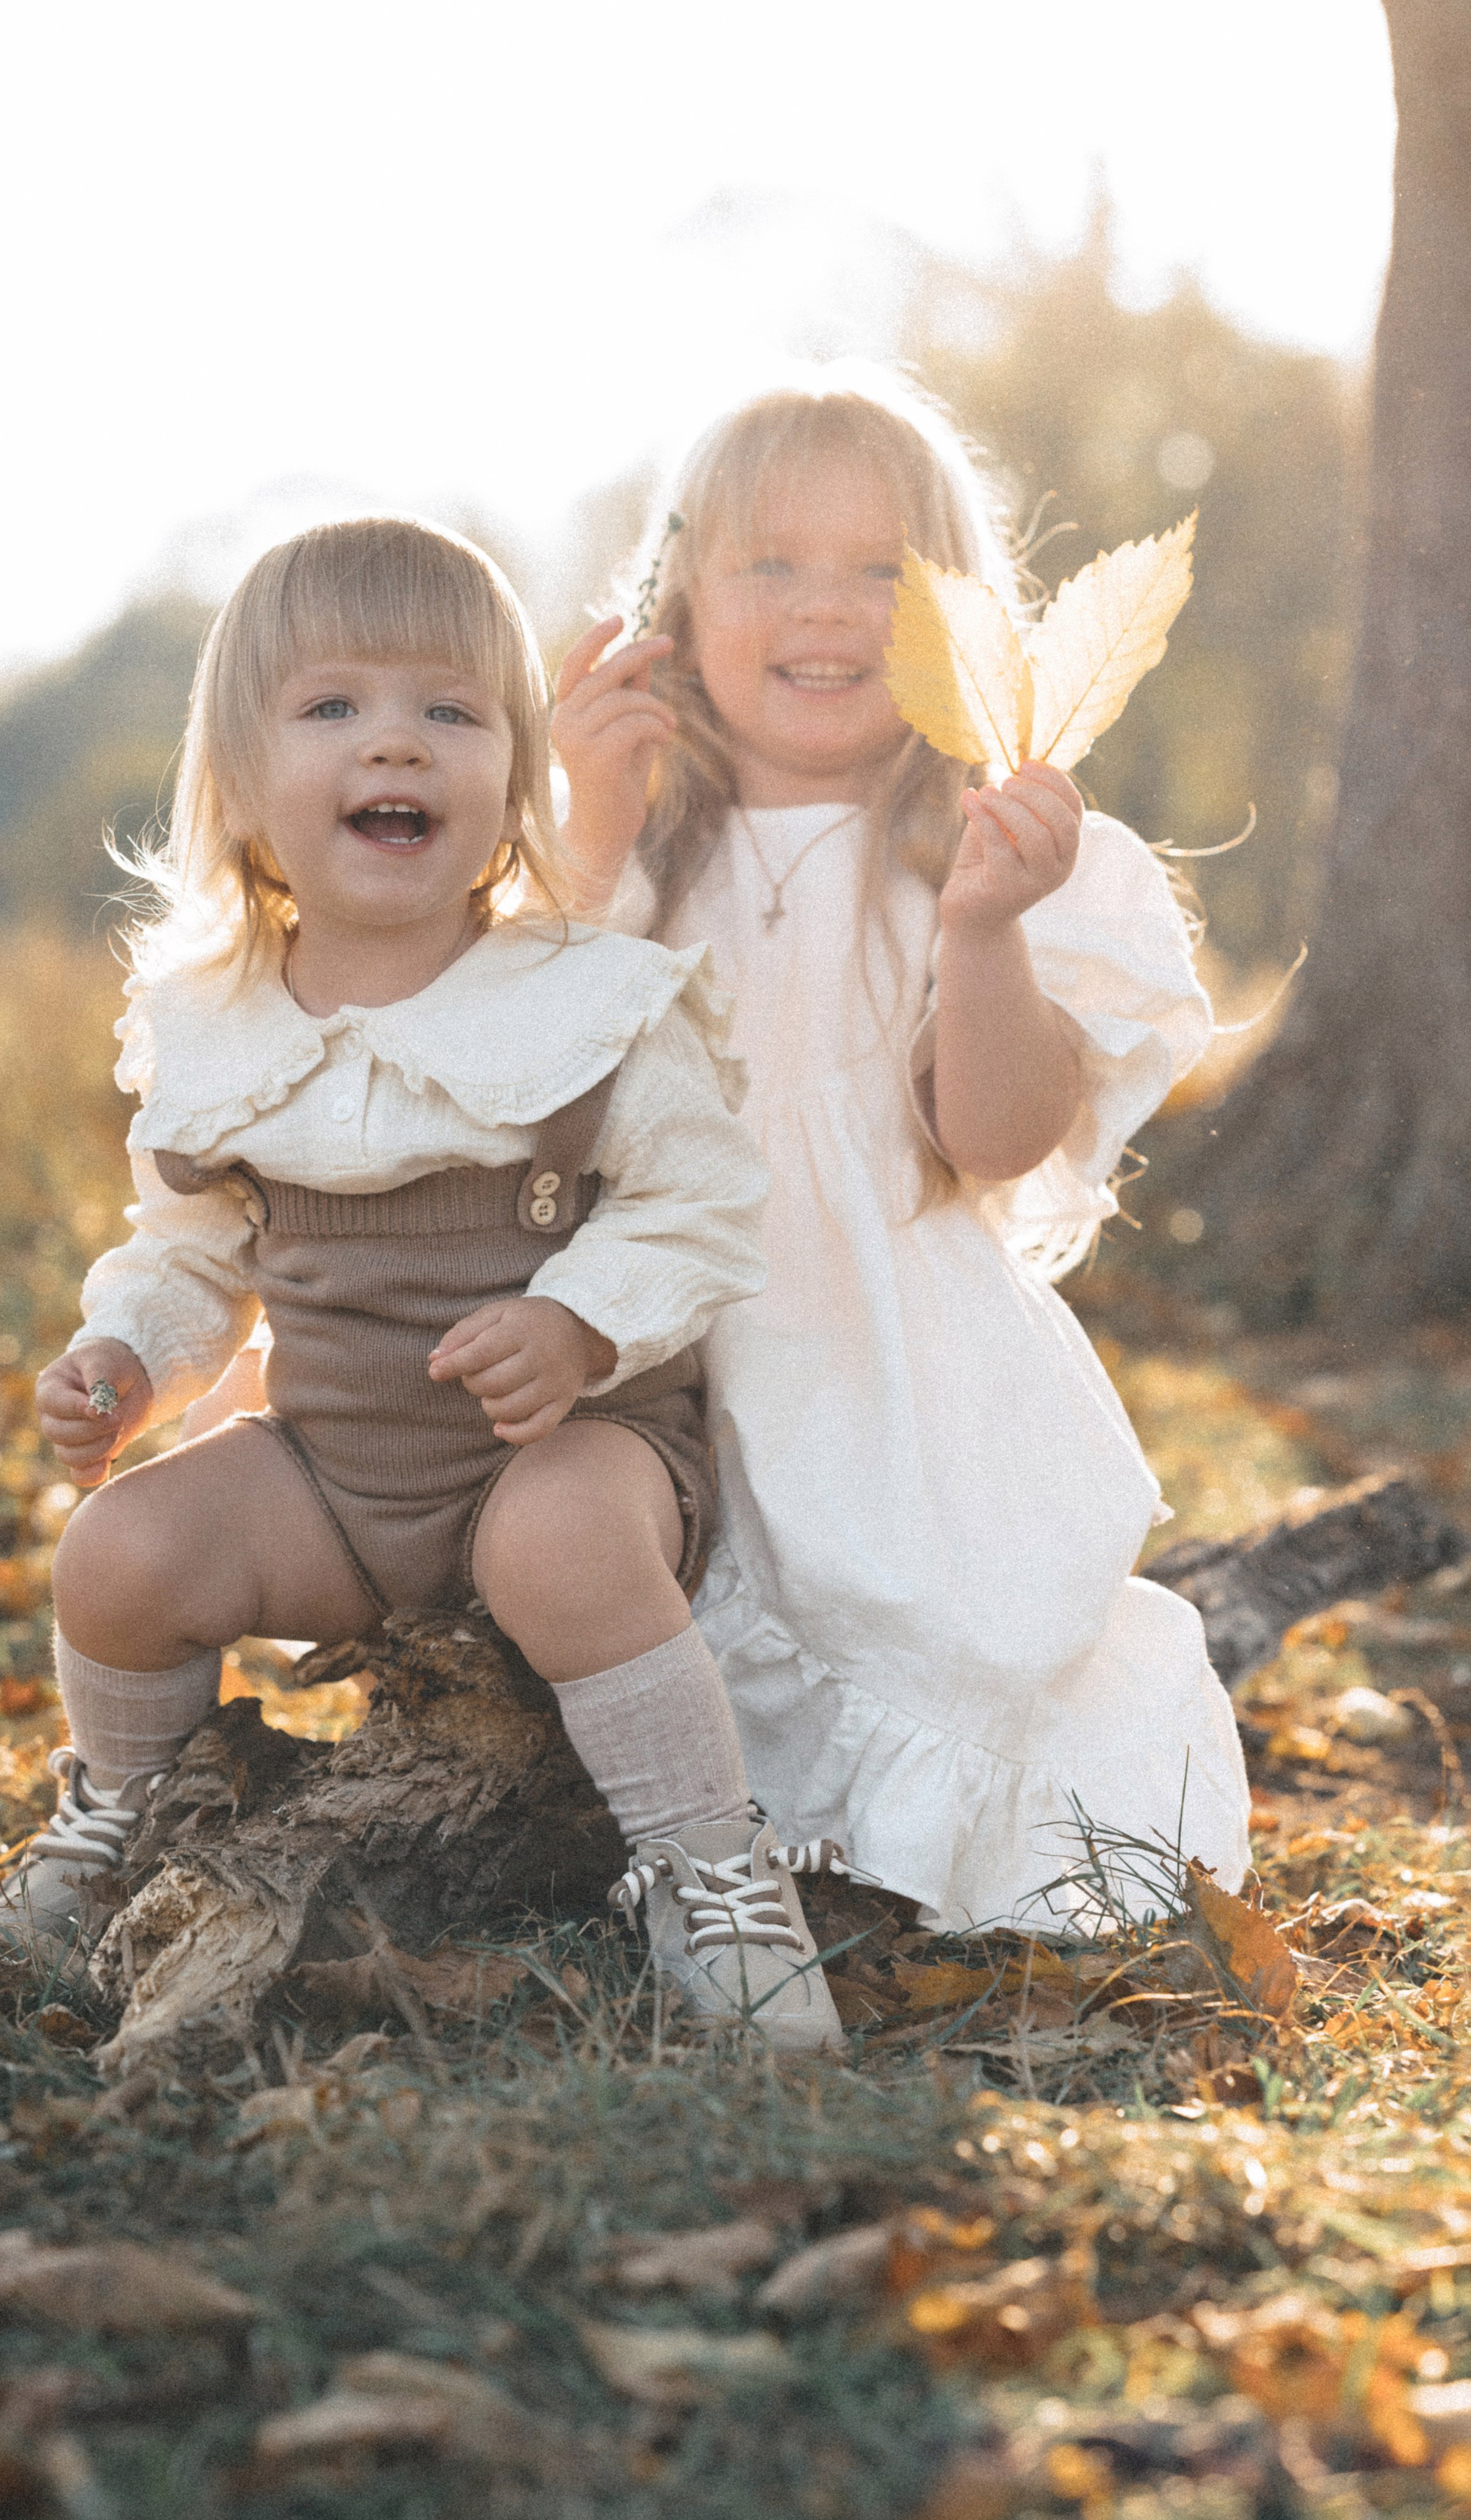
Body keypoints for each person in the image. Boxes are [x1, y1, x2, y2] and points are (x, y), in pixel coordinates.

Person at [16, 515, 846, 2052]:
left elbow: (701, 1201)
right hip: (336, 1481)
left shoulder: (582, 998)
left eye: (449, 712)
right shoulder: (220, 1025)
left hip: (568, 1452)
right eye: (333, 707)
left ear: (512, 778)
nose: (394, 740)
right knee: (118, 1555)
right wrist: (130, 1355)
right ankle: (124, 1808)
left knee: (560, 1537)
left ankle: (712, 1874)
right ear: (246, 781)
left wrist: (575, 1317)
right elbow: (192, 1250)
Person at [550, 367, 1252, 1933]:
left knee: (953, 1629)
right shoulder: (630, 850)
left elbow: (992, 1141)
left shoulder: (969, 854)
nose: (829, 607)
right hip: (665, 1349)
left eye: (885, 570)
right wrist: (588, 825)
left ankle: (876, 1856)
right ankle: (705, 1829)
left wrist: (985, 934)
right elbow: (526, 1078)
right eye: (770, 563)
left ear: (962, 626)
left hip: (887, 1353)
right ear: (672, 602)